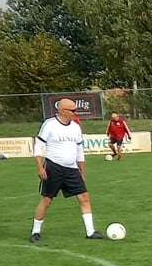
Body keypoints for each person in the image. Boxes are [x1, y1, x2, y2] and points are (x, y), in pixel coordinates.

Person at [32, 98, 107, 241]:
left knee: (84, 198)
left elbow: (79, 150)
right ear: (62, 111)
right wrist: (40, 167)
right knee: (47, 200)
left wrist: (82, 171)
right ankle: (35, 232)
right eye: (73, 110)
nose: (75, 113)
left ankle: (90, 232)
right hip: (53, 168)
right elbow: (38, 146)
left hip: (72, 170)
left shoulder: (76, 127)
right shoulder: (49, 124)